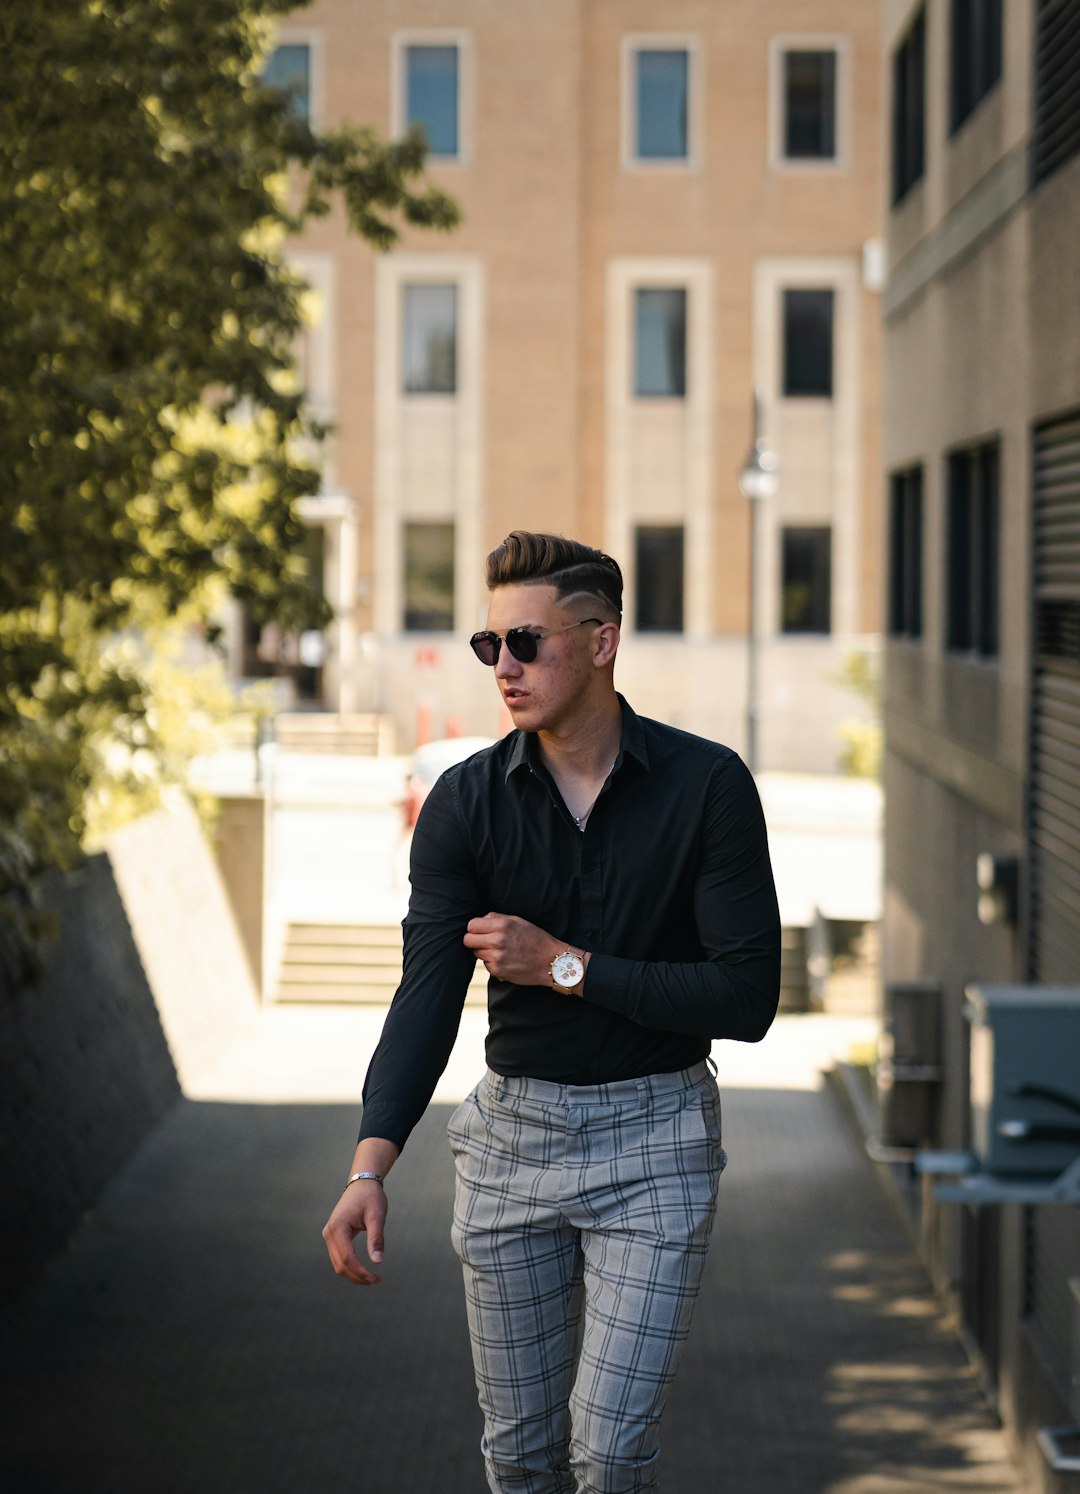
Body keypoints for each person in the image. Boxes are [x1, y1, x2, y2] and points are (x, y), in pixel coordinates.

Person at [322, 531, 781, 1494]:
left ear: (603, 640)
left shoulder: (709, 788)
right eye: (491, 645)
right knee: (520, 1456)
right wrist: (372, 1161)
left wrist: (564, 966)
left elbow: (747, 999)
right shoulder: (464, 803)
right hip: (511, 1141)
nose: (505, 667)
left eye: (527, 642)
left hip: (656, 1137)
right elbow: (427, 994)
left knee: (609, 1456)